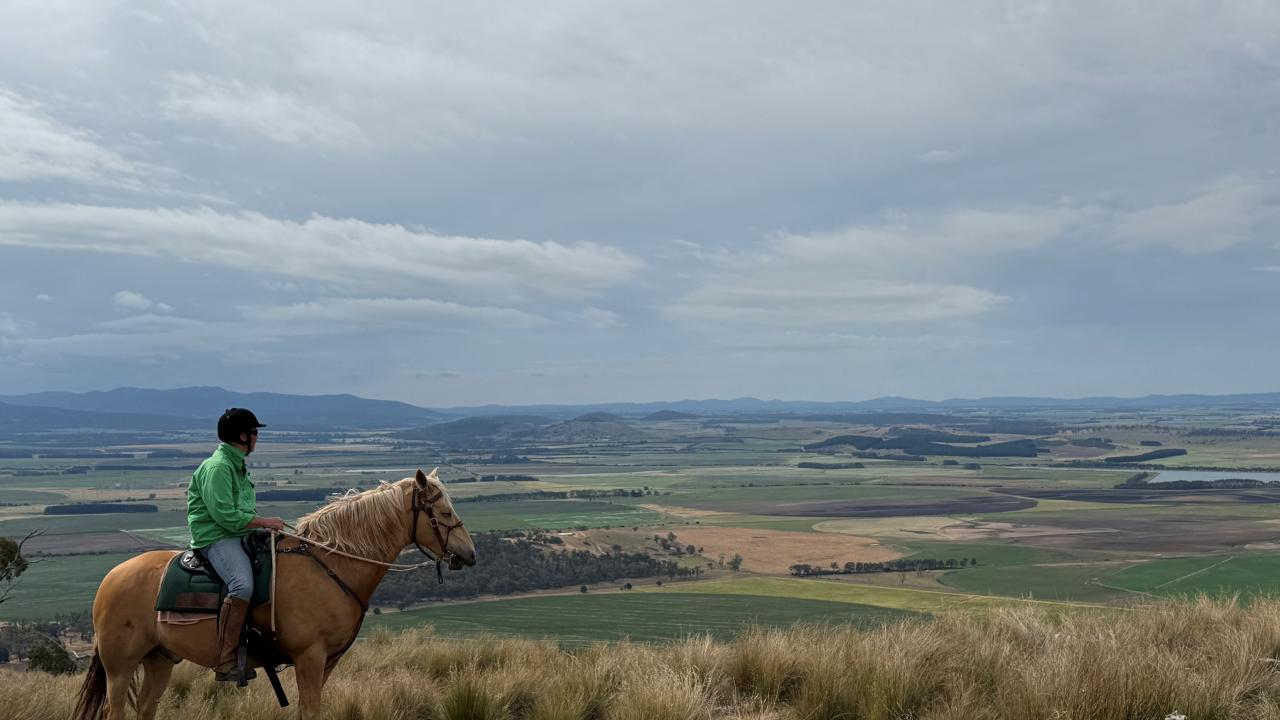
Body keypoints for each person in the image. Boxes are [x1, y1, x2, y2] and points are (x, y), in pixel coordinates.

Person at [186, 408, 285, 681]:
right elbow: (225, 517)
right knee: (242, 585)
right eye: (255, 433)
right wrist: (263, 521)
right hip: (217, 537)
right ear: (242, 436)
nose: (257, 438)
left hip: (239, 534)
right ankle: (225, 659)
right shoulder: (218, 467)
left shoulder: (236, 464)